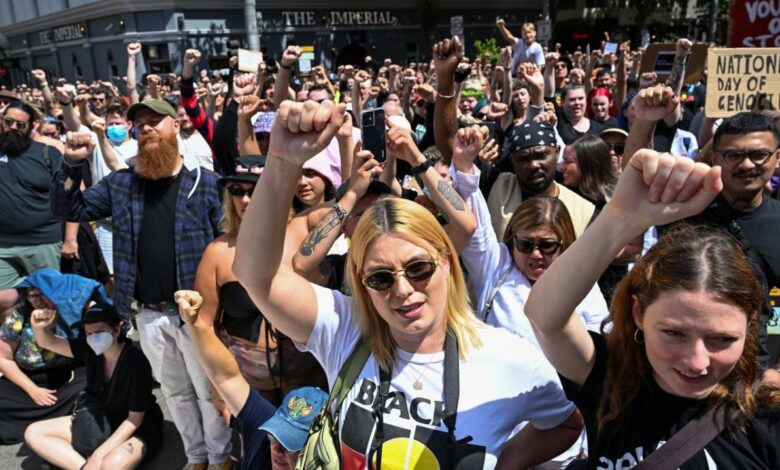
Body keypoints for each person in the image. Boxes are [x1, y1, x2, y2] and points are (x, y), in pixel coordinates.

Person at [234, 99, 582, 469]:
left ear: (446, 261)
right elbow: (260, 275)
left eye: (419, 269)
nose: (402, 290)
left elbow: (565, 423)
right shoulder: (345, 327)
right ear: (361, 278)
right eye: (380, 278)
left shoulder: (511, 358)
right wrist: (283, 164)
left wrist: (503, 462)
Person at [525, 149, 780, 468]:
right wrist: (620, 218)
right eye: (674, 333)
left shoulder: (765, 420)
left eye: (722, 339)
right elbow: (544, 316)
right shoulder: (610, 382)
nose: (697, 362)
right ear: (638, 314)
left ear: (750, 327)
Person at [50, 99, 233, 470]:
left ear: (176, 126)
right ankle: (196, 456)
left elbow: (226, 250)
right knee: (176, 393)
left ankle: (220, 457)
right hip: (148, 314)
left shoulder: (206, 184)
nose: (146, 129)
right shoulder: (121, 185)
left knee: (207, 390)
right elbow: (69, 209)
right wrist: (71, 162)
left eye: (155, 121)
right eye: (140, 124)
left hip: (196, 316)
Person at [449, 125, 608, 340]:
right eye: (525, 244)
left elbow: (600, 342)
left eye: (547, 245)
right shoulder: (495, 267)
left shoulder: (583, 288)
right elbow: (470, 212)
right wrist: (458, 164)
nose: (535, 254)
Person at [195, 155, 327, 406]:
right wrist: (219, 389)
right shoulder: (217, 252)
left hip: (306, 377)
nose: (245, 200)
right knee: (258, 445)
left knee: (307, 444)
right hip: (249, 384)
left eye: (254, 190)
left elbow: (346, 204)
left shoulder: (298, 232)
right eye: (237, 191)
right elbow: (205, 326)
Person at [659, 112, 780, 383]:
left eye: (760, 154)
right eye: (733, 155)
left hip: (755, 375)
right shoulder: (684, 213)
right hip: (686, 370)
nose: (747, 164)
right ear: (715, 158)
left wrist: (774, 372)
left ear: (777, 157)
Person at [175, 289, 328, 470]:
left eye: (290, 444)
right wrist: (195, 324)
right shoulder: (263, 430)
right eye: (275, 436)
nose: (276, 450)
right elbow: (227, 377)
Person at [25, 302, 164, 469]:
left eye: (98, 331)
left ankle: (90, 460)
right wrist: (38, 327)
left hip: (136, 426)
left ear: (117, 329)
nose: (92, 337)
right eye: (88, 333)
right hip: (100, 419)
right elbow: (50, 342)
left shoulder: (136, 361)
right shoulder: (89, 349)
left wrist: (98, 455)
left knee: (112, 464)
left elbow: (135, 419)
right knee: (34, 432)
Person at [0, 279, 88, 444]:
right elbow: (3, 359)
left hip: (70, 376)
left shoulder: (72, 311)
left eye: (44, 295)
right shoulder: (19, 315)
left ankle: (56, 421)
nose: (38, 301)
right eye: (33, 296)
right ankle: (52, 420)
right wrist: (32, 390)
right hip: (30, 378)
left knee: (89, 386)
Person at [0, 100, 64, 289]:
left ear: (31, 127)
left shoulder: (48, 153)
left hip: (42, 243)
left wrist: (70, 240)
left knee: (49, 300)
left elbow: (70, 197)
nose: (13, 128)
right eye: (8, 122)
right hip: (3, 246)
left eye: (20, 125)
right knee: (4, 306)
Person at [561, 135, 618, 213]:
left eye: (568, 162)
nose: (562, 167)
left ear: (588, 164)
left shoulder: (617, 199)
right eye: (564, 161)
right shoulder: (562, 197)